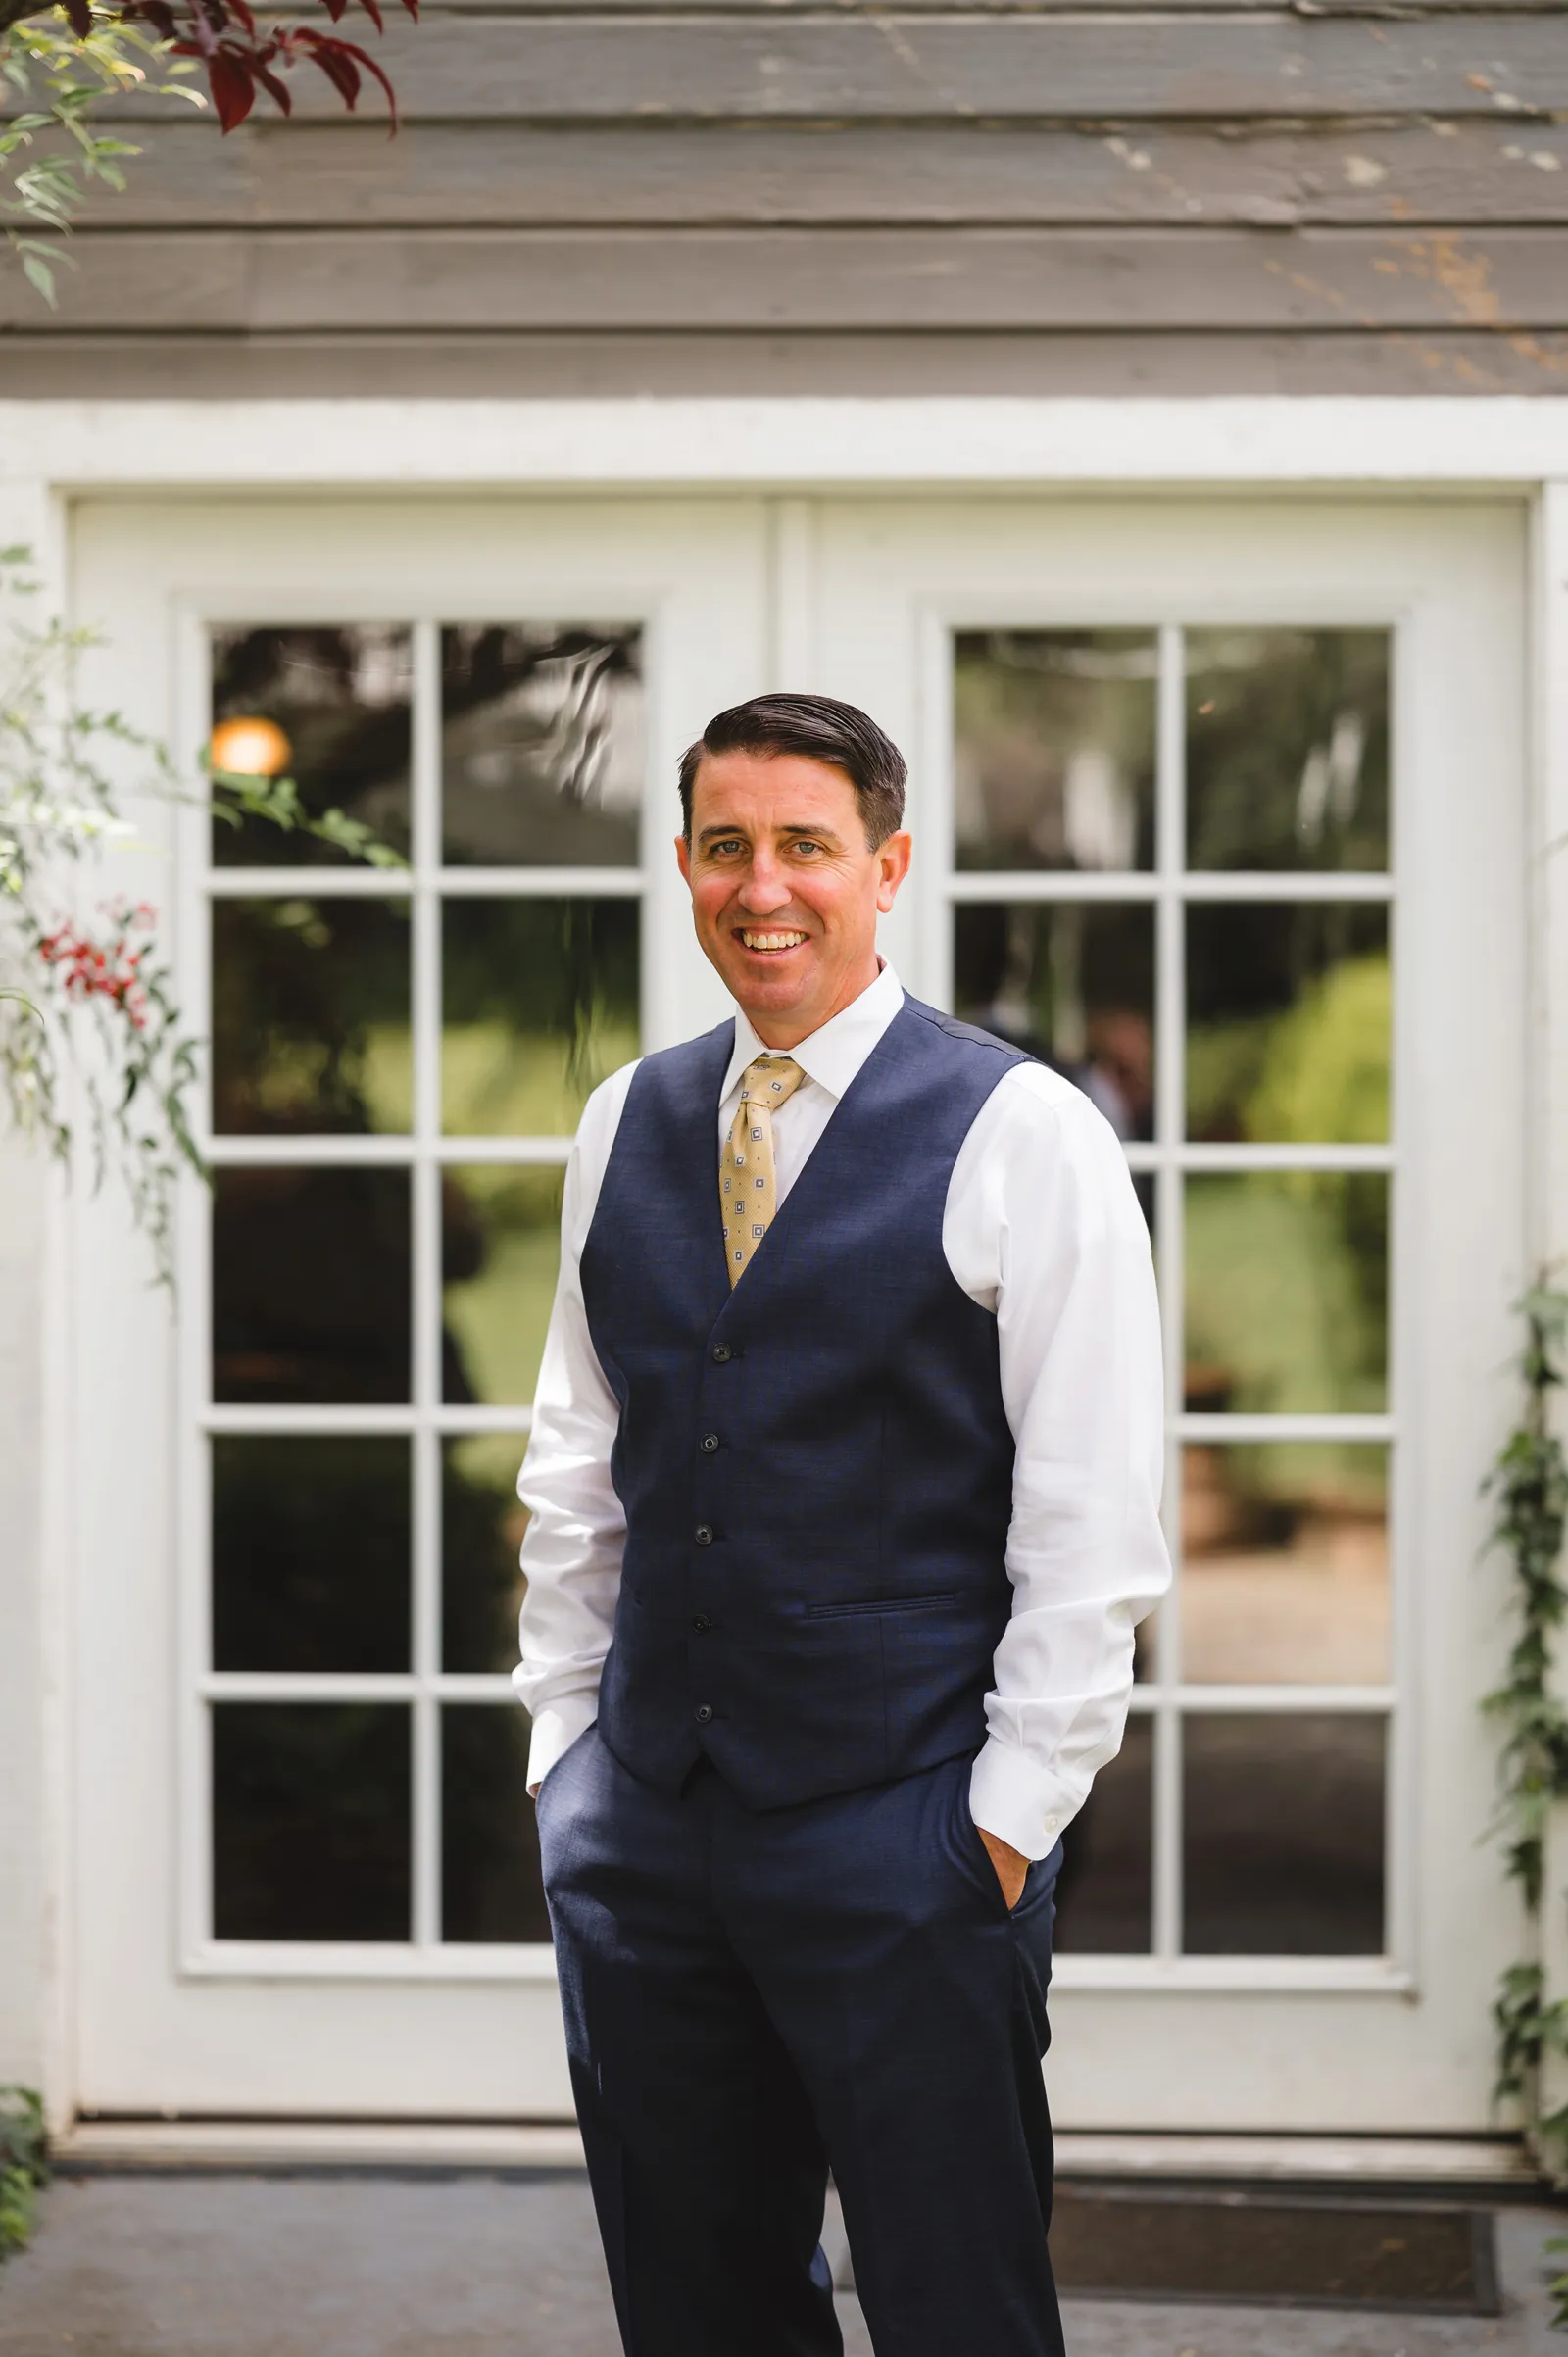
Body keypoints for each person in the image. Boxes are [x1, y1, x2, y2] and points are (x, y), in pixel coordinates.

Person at [514, 693, 1170, 2357]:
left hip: (910, 1836)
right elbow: (580, 1465)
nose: (764, 888)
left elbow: (1092, 1532)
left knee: (959, 2311)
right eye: (726, 848)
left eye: (806, 846)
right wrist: (566, 1765)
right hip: (648, 1837)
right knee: (700, 2308)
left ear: (886, 867)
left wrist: (1003, 1827)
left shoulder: (1026, 1136)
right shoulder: (624, 1123)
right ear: (682, 867)